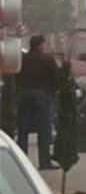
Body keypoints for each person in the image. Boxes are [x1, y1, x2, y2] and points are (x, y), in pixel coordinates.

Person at [16, 34, 59, 170]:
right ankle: (44, 161)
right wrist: (53, 91)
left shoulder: (23, 59)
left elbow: (16, 74)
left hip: (24, 94)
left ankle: (21, 161)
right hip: (42, 94)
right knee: (43, 129)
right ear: (40, 45)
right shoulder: (47, 59)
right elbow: (55, 78)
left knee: (23, 129)